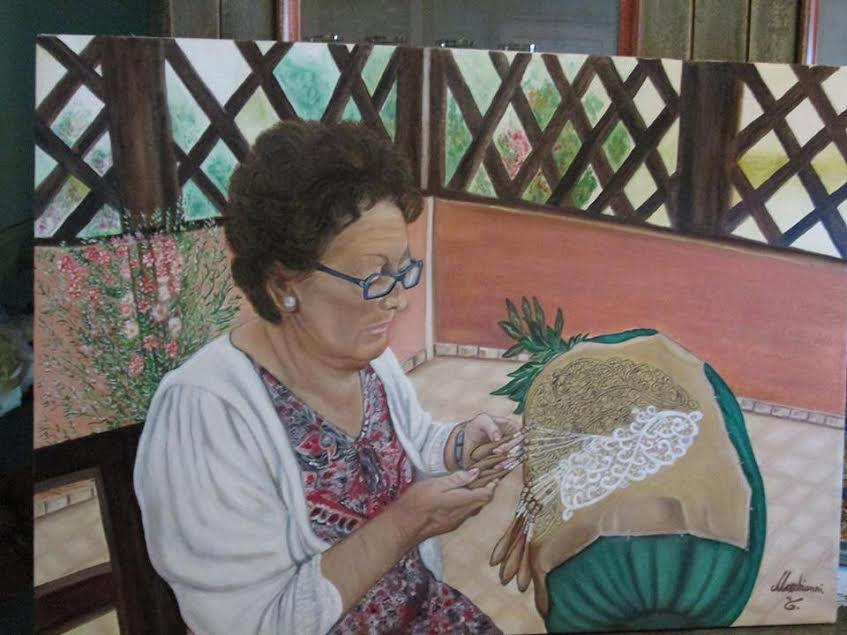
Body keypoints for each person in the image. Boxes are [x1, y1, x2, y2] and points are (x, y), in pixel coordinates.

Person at [134, 120, 519, 635]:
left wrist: (458, 445)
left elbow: (411, 442)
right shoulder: (207, 412)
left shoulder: (370, 363)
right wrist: (406, 524)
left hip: (422, 612)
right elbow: (252, 625)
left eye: (403, 271)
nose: (399, 299)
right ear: (282, 285)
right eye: (374, 277)